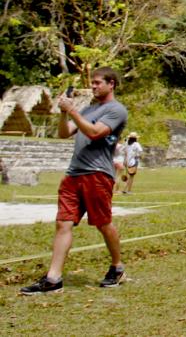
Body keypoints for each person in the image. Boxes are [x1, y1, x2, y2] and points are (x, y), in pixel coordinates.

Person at [20, 67, 129, 295]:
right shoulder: (88, 109)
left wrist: (73, 112)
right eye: (92, 83)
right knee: (63, 223)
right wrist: (63, 113)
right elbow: (63, 133)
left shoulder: (116, 110)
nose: (93, 86)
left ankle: (117, 267)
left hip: (98, 173)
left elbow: (94, 133)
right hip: (74, 173)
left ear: (112, 85)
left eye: (98, 82)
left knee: (103, 223)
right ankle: (53, 278)